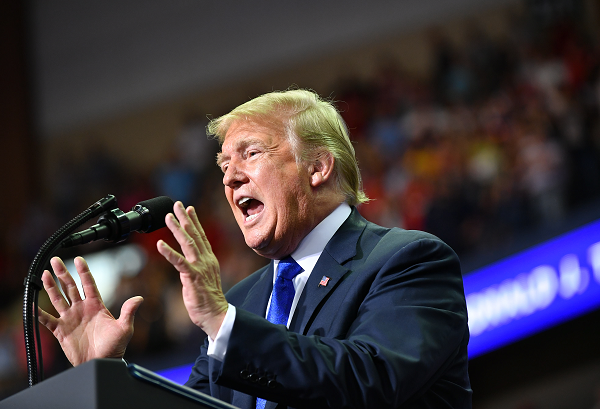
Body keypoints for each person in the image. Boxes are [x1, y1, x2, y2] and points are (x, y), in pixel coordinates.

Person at [39, 89, 472, 408]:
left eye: (250, 154)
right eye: (225, 165)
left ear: (318, 167)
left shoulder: (408, 260)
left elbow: (371, 380)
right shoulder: (243, 301)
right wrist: (104, 377)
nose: (229, 179)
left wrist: (223, 323)